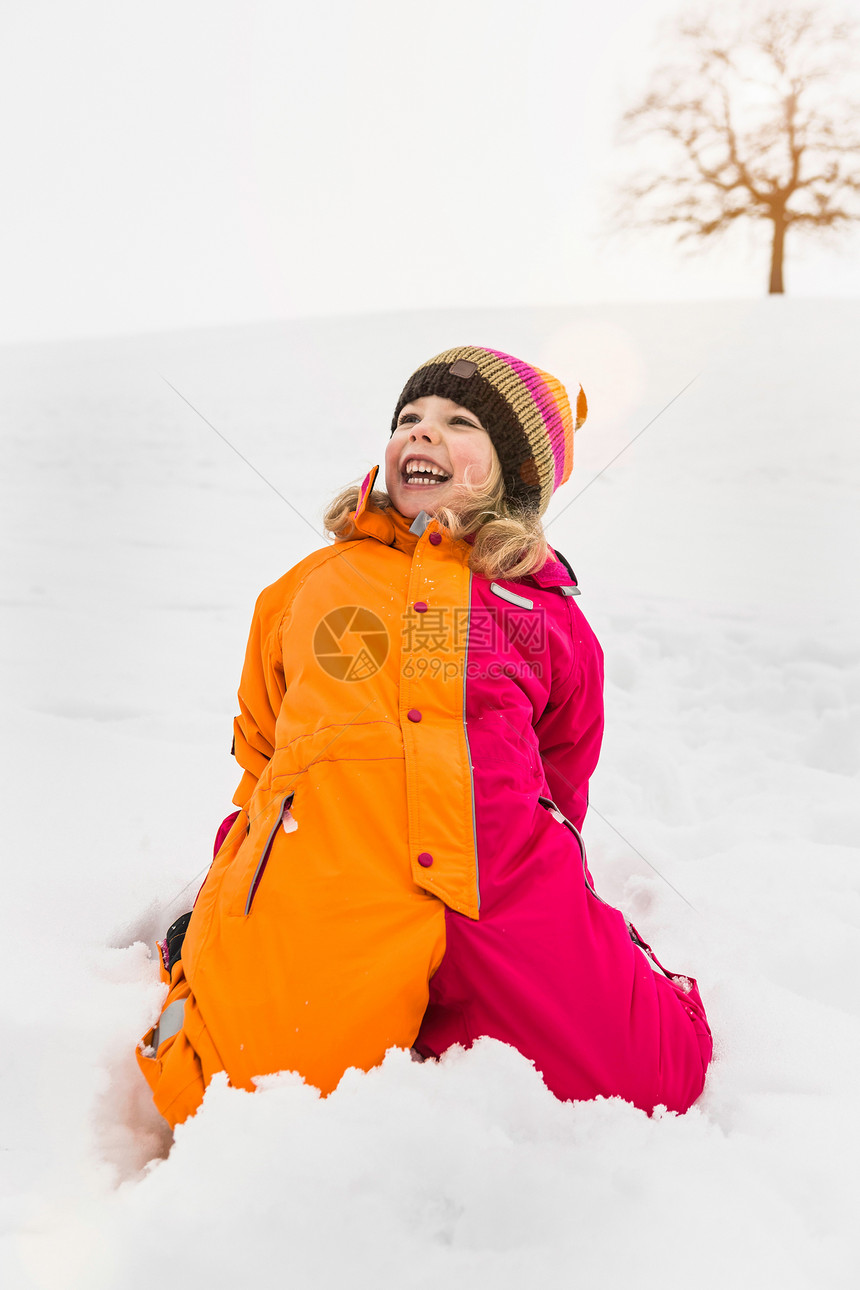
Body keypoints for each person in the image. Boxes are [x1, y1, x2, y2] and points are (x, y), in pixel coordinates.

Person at [137, 345, 713, 1129]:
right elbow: (265, 741)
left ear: (512, 476)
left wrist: (551, 885)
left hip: (500, 876)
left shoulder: (547, 617)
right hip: (336, 860)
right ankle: (211, 942)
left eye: (457, 421)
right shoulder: (312, 587)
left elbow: (562, 771)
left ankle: (507, 988)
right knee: (234, 1097)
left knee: (653, 1077)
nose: (422, 434)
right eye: (408, 419)